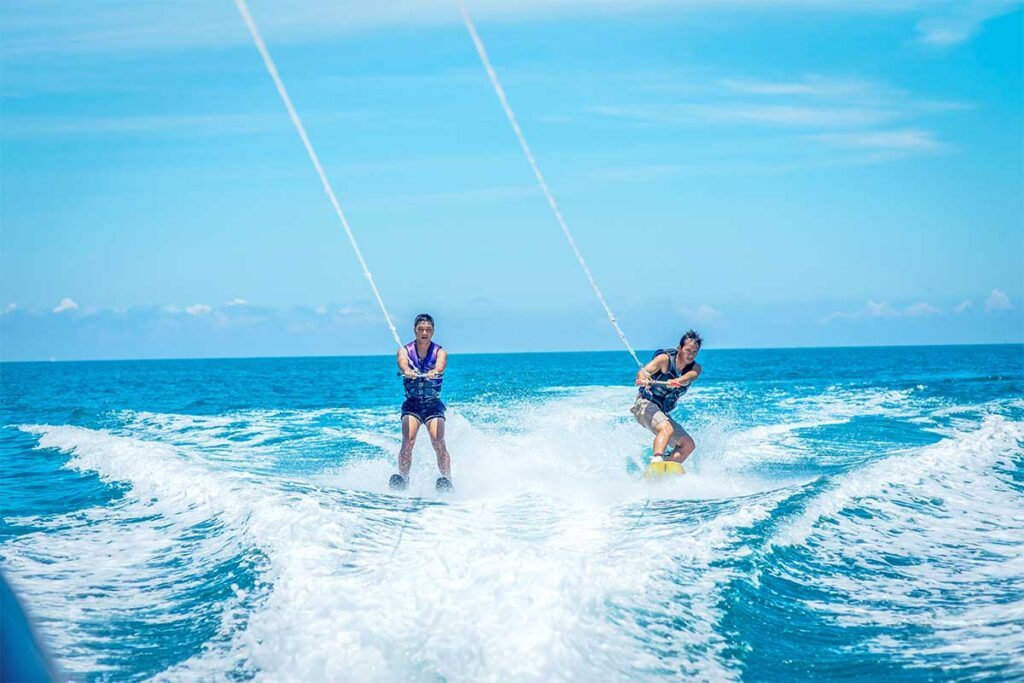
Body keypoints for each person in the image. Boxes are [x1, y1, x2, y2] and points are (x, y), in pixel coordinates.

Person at [389, 313, 453, 492]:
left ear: (433, 332)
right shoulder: (404, 352)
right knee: (408, 441)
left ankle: (447, 480)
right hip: (413, 405)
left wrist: (435, 371)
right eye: (421, 330)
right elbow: (402, 363)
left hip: (433, 405)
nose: (424, 333)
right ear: (415, 331)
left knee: (438, 440)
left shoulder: (440, 352)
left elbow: (440, 365)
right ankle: (403, 479)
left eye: (428, 330)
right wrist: (407, 370)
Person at [632, 330, 703, 465]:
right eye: (688, 350)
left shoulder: (695, 368)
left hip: (660, 412)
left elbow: (690, 377)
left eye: (695, 352)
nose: (691, 355)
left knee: (688, 445)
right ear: (679, 348)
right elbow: (643, 372)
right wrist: (643, 379)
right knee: (666, 429)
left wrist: (679, 380)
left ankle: (664, 469)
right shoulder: (664, 359)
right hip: (644, 404)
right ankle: (657, 460)